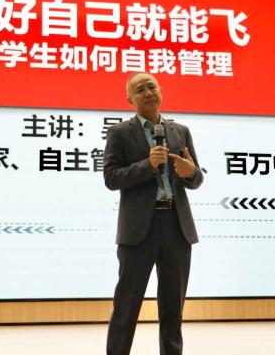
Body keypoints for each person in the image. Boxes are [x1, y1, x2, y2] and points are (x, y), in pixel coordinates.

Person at [104, 72, 203, 355]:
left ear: (160, 91)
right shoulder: (120, 132)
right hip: (138, 231)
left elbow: (196, 179)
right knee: (126, 306)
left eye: (151, 87)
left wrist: (191, 172)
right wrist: (147, 166)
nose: (147, 92)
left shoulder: (180, 131)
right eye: (140, 89)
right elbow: (111, 178)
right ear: (129, 100)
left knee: (173, 309)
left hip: (177, 227)